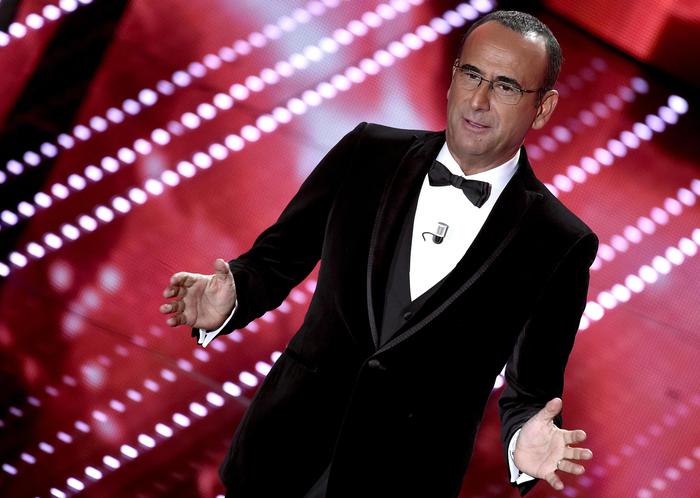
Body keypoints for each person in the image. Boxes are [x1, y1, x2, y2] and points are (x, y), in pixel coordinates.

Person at [160, 10, 598, 498]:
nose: (478, 100)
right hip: (281, 453)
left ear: (543, 108)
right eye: (471, 75)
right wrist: (233, 297)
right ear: (453, 76)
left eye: (506, 87)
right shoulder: (367, 152)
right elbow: (276, 259)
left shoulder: (559, 241)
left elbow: (532, 392)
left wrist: (521, 444)